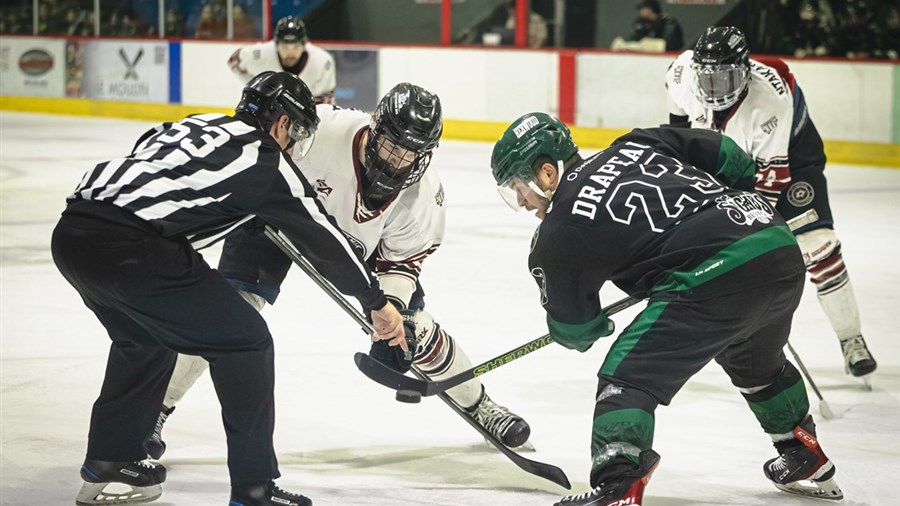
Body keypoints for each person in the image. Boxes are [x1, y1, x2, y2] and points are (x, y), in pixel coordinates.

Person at [52, 71, 405, 506]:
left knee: (142, 340)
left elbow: (153, 161)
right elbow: (322, 238)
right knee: (247, 343)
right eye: (295, 131)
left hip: (74, 232)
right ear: (280, 124)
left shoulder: (195, 123)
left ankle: (109, 456)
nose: (294, 143)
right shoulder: (264, 161)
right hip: (135, 249)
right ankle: (254, 488)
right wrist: (375, 300)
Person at [143, 82, 533, 462]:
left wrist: (391, 312)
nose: (396, 161)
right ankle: (152, 412)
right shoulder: (322, 132)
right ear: (375, 129)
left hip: (360, 246)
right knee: (228, 313)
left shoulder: (423, 195)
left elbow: (400, 263)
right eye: (391, 145)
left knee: (414, 327)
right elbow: (262, 146)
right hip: (279, 219)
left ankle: (482, 406)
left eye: (409, 154)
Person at [489, 112, 844, 506]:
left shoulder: (557, 233)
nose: (521, 202)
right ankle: (803, 454)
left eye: (519, 187)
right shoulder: (635, 143)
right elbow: (733, 159)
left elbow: (576, 330)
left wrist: (598, 323)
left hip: (712, 277)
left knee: (627, 376)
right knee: (755, 362)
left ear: (547, 172)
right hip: (775, 244)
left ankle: (619, 483)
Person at [665, 26, 877, 383]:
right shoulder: (684, 73)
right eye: (710, 80)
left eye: (725, 79)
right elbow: (674, 107)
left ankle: (851, 338)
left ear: (744, 72)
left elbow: (771, 181)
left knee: (819, 247)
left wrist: (743, 238)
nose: (715, 90)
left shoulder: (769, 103)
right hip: (730, 154)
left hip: (793, 162)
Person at [228, 15, 335, 104]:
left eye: (296, 47)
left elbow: (326, 98)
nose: (290, 53)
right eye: (285, 47)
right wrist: (255, 85)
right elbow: (234, 61)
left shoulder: (322, 62)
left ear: (304, 45)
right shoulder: (260, 54)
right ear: (276, 45)